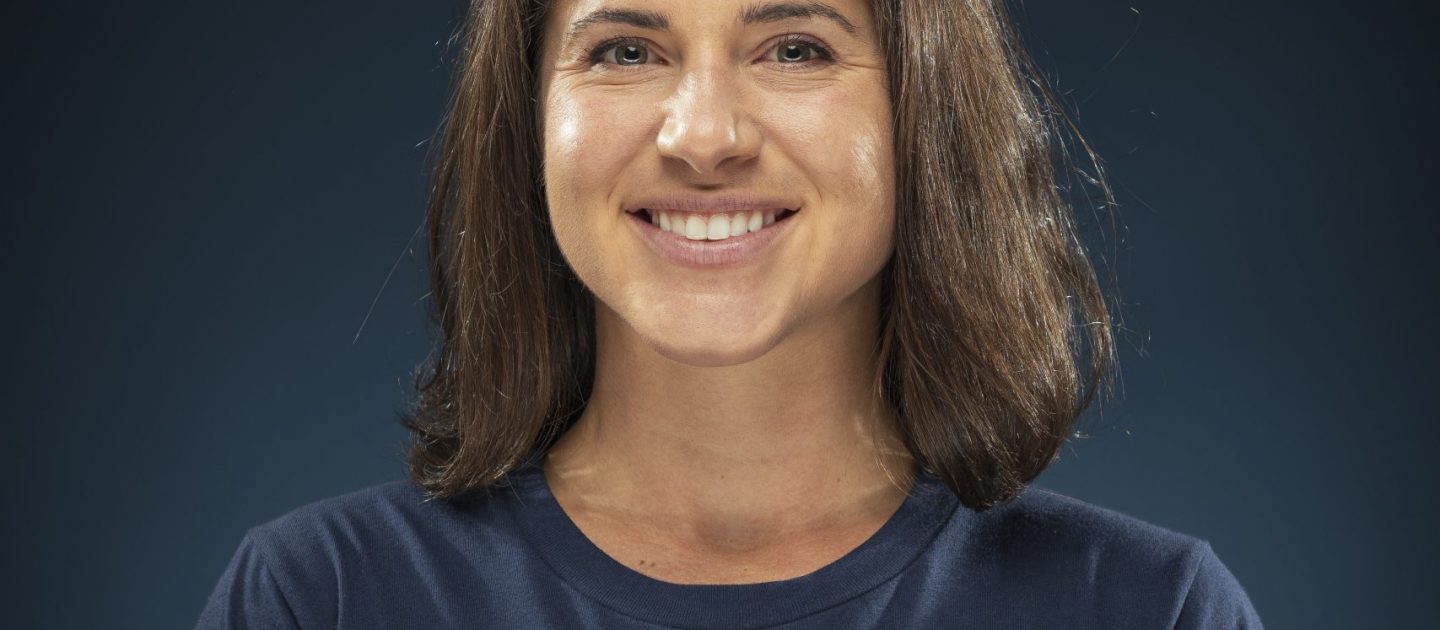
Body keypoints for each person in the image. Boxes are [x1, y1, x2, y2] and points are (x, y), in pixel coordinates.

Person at [196, 0, 1264, 627]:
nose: (704, 137)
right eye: (626, 48)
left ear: (922, 105)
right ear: (528, 116)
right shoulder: (320, 600)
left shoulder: (1151, 610)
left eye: (795, 46)